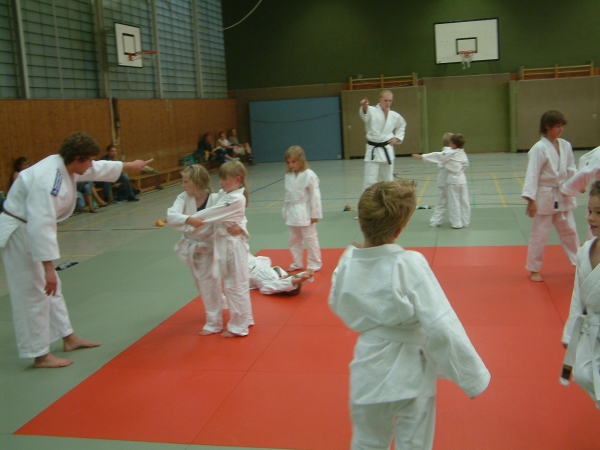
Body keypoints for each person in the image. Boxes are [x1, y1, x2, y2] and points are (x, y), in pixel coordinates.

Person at [329, 180, 490, 449]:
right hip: (411, 376)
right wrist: (472, 377)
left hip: (367, 370)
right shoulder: (409, 264)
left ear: (362, 222)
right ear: (400, 229)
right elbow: (441, 324)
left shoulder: (347, 264)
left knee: (366, 443)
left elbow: (339, 304)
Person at [0, 132, 151, 368]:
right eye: (89, 159)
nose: (91, 164)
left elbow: (96, 168)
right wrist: (49, 268)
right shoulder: (48, 181)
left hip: (30, 228)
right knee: (33, 293)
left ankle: (68, 337)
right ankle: (40, 355)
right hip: (21, 232)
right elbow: (41, 225)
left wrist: (131, 165)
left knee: (52, 289)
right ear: (77, 158)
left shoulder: (66, 164)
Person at [187, 161, 253, 337]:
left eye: (225, 179)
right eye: (220, 178)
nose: (221, 182)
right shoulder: (226, 194)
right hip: (226, 242)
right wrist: (241, 227)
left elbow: (211, 213)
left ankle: (239, 326)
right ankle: (246, 319)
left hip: (233, 245)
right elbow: (237, 217)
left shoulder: (236, 198)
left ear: (237, 179)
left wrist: (186, 219)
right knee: (236, 283)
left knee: (235, 285)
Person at [522, 110, 580, 282]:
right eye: (558, 126)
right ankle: (534, 269)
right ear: (547, 126)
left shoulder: (565, 145)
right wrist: (531, 201)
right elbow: (532, 174)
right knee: (539, 235)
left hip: (563, 193)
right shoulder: (538, 149)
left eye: (562, 126)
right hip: (545, 195)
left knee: (570, 232)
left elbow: (571, 168)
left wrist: (577, 183)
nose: (561, 129)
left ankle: (580, 265)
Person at [167, 164, 223, 335]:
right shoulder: (183, 198)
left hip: (208, 246)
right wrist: (188, 219)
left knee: (208, 282)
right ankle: (221, 302)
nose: (183, 185)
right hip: (191, 245)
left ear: (197, 182)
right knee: (200, 282)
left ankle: (214, 322)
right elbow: (171, 216)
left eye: (186, 181)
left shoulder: (215, 198)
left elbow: (227, 216)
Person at [560, 180, 600, 409]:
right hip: (591, 328)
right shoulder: (585, 252)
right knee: (583, 374)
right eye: (589, 211)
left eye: (598, 213)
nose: (591, 218)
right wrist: (570, 336)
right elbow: (578, 298)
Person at [283, 145, 323, 272]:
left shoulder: (309, 174)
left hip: (305, 210)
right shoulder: (288, 175)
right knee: (294, 239)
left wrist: (315, 214)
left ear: (300, 160)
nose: (291, 165)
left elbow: (315, 195)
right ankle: (297, 263)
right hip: (292, 210)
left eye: (293, 162)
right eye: (289, 162)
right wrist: (285, 211)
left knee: (310, 238)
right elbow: (287, 195)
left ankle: (314, 263)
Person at [359, 90, 407, 192]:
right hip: (373, 151)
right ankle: (367, 201)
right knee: (369, 181)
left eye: (390, 100)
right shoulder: (372, 111)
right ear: (380, 99)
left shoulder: (394, 115)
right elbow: (365, 115)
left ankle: (389, 201)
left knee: (389, 181)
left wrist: (397, 138)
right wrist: (364, 106)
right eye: (385, 100)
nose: (388, 103)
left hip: (387, 150)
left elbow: (402, 124)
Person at [412, 133, 453, 227]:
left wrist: (423, 157)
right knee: (453, 202)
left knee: (441, 201)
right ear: (451, 142)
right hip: (449, 180)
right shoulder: (450, 153)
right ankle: (456, 221)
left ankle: (435, 221)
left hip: (441, 180)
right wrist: (423, 156)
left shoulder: (445, 152)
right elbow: (436, 155)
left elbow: (436, 156)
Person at [248, 253, 314, 295]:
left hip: (248, 270)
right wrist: (306, 275)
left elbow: (284, 284)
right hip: (255, 262)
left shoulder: (270, 286)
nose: (284, 275)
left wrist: (301, 279)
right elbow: (293, 278)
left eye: (285, 278)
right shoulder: (281, 276)